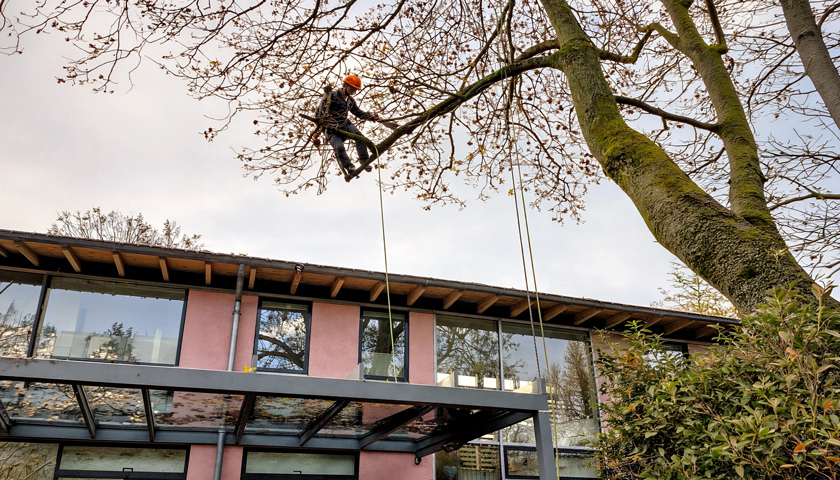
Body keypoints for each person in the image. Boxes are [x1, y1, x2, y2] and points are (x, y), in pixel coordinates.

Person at [313, 75, 381, 173]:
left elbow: (358, 113)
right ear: (345, 85)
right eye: (352, 88)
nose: (353, 91)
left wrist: (373, 118)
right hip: (331, 128)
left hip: (345, 125)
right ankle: (349, 166)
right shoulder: (331, 96)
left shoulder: (350, 101)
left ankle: (364, 161)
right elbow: (319, 114)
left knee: (360, 138)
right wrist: (318, 132)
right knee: (339, 147)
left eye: (355, 89)